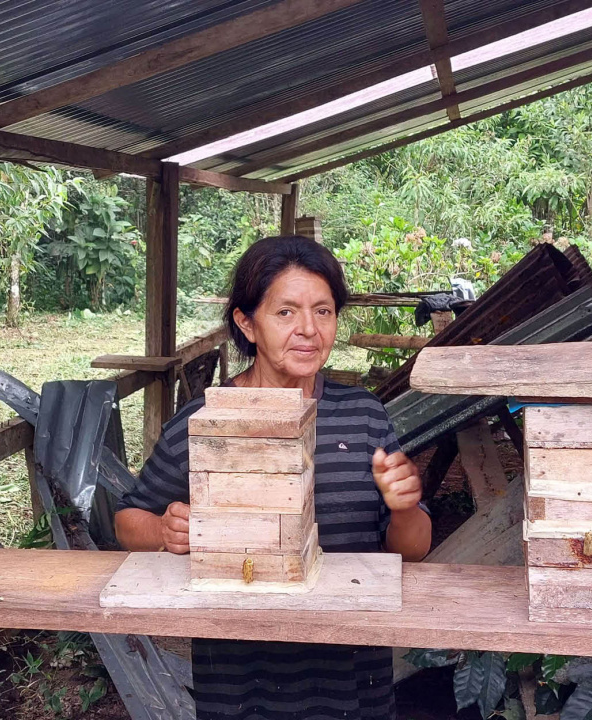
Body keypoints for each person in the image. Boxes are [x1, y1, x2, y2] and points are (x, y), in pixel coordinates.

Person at [115, 235, 432, 720]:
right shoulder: (208, 420)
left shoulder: (364, 416)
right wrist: (162, 529)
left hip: (352, 682)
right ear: (247, 322)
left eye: (323, 311)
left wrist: (404, 506)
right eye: (285, 312)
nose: (308, 329)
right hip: (243, 686)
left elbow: (412, 549)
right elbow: (126, 521)